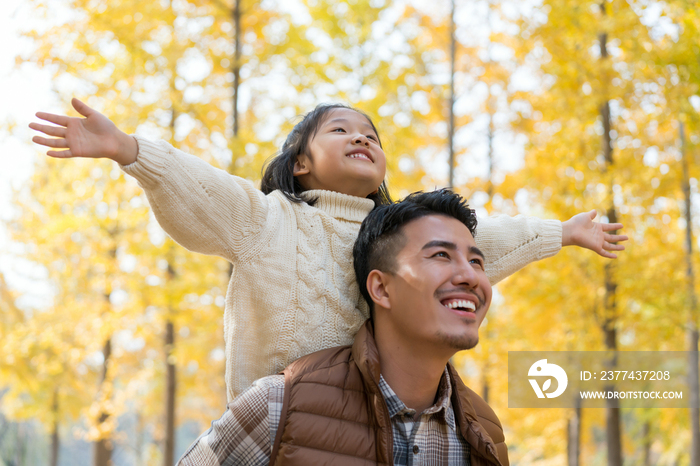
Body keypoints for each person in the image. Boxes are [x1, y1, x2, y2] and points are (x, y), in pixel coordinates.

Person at [29, 99, 628, 401]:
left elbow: (479, 247)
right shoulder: (266, 220)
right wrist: (132, 151)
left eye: (372, 134)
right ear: (300, 163)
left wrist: (562, 233)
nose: (362, 137)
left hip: (377, 428)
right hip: (277, 427)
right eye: (340, 129)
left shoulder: (401, 237)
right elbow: (203, 188)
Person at [178, 189, 509, 465]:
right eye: (440, 255)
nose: (470, 276)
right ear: (381, 288)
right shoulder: (281, 404)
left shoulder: (486, 432)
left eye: (476, 261)